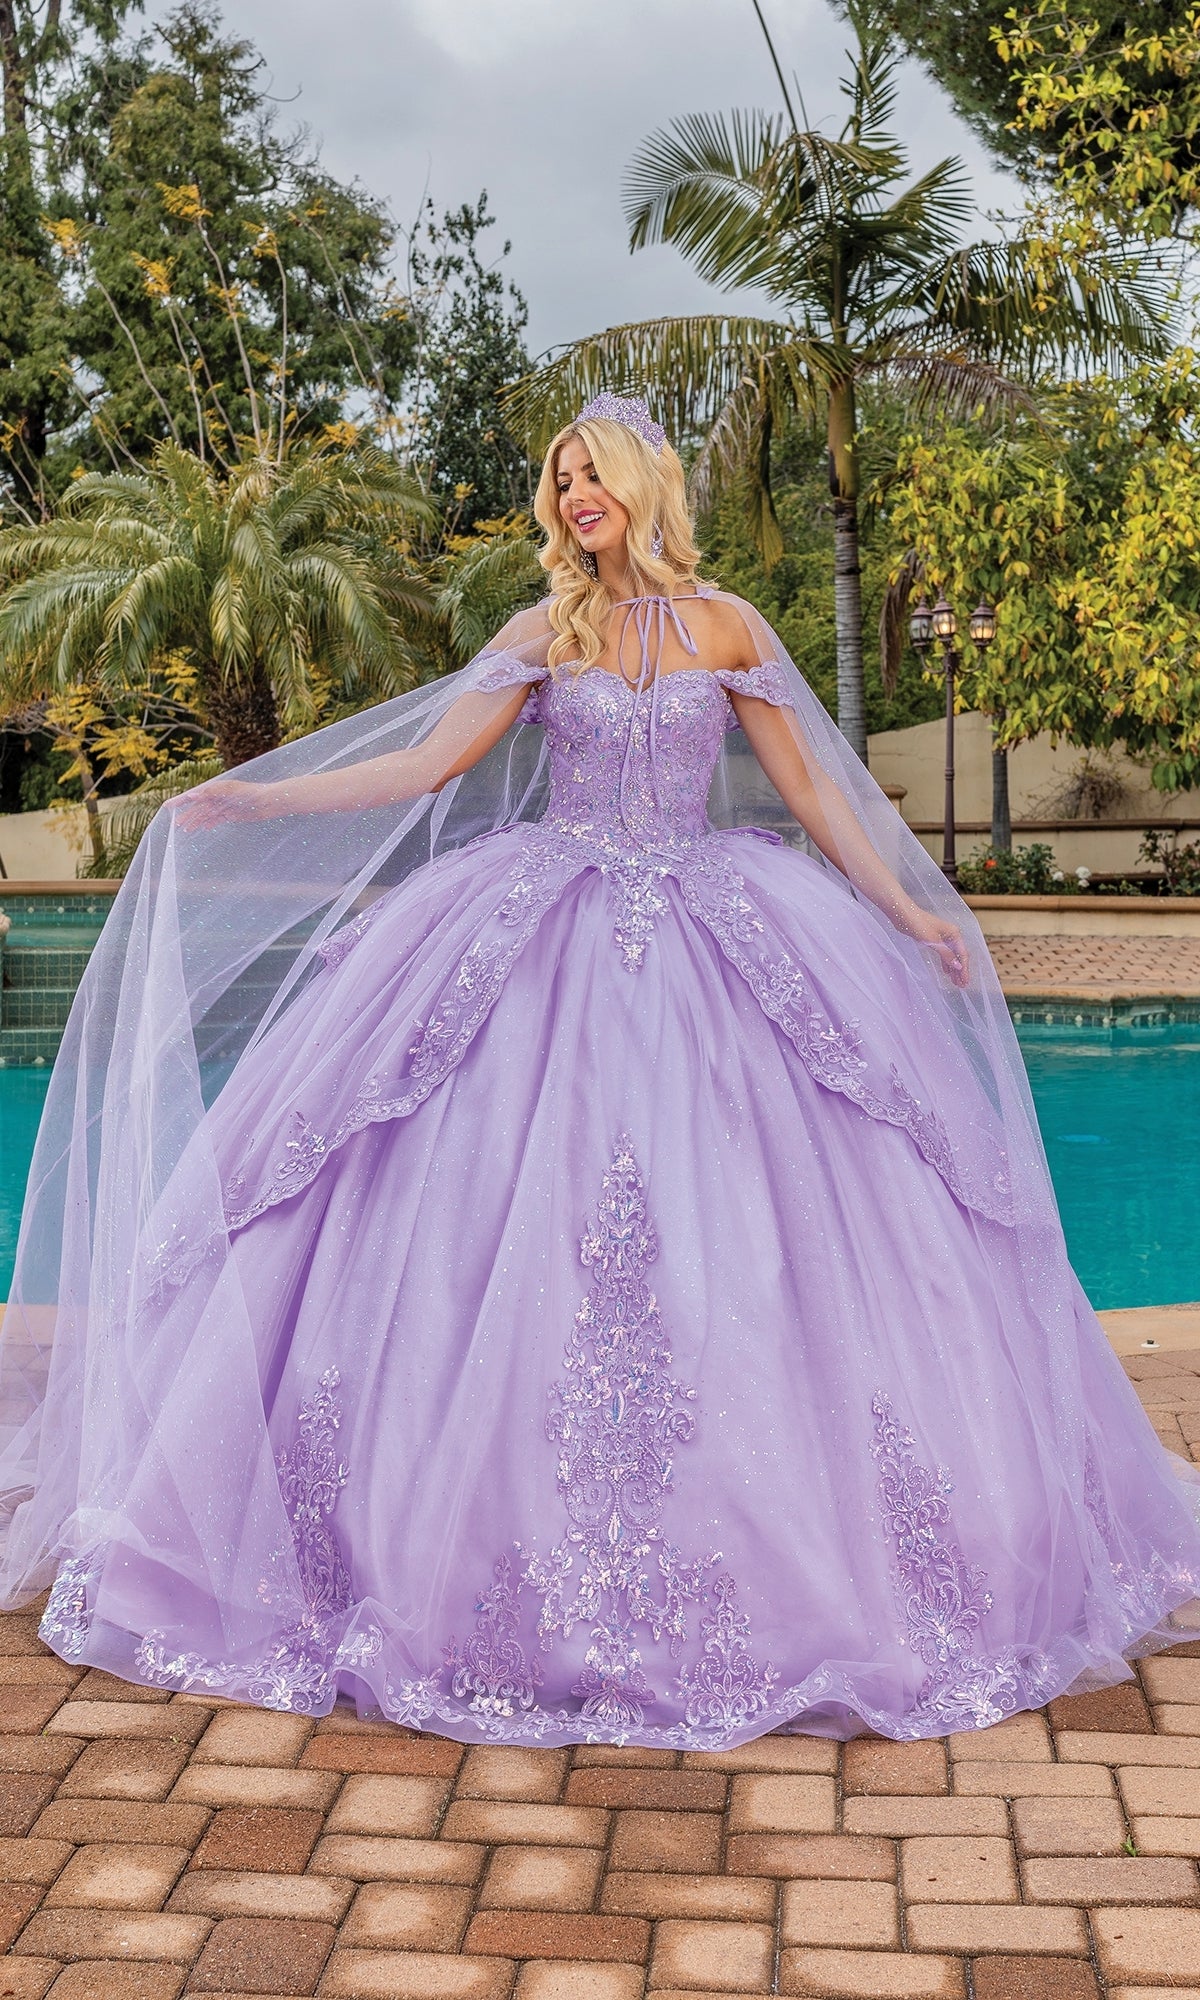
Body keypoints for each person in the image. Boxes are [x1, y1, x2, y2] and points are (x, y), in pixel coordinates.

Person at [2, 394, 1197, 1748]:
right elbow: (424, 765)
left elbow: (816, 795)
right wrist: (255, 799)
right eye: (561, 480)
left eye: (593, 476)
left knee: (771, 1222)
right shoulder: (541, 632)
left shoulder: (729, 626)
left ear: (643, 484)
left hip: (716, 928)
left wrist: (908, 911)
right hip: (544, 929)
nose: (576, 498)